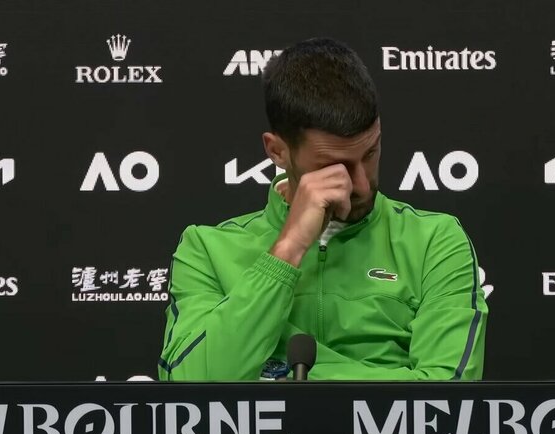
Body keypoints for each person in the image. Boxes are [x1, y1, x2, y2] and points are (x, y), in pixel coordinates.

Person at [158, 37, 488, 381]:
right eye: (333, 166)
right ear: (277, 151)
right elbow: (190, 387)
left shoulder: (435, 241)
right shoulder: (206, 249)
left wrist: (280, 379)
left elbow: (447, 394)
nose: (361, 185)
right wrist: (288, 249)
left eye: (370, 153)